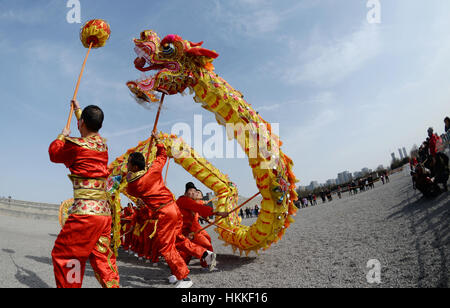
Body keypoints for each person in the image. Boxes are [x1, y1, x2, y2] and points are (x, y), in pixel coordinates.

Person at [125, 133, 214, 288]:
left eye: (128, 163)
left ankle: (183, 277)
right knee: (178, 239)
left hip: (164, 213)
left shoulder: (134, 184)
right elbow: (162, 155)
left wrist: (130, 174)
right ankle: (203, 253)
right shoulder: (154, 169)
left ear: (134, 166)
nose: (127, 165)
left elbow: (130, 186)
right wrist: (159, 142)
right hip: (174, 208)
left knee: (165, 246)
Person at [49, 100, 120, 288]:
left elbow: (54, 154)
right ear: (100, 125)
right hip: (103, 214)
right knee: (101, 258)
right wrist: (79, 111)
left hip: (85, 214)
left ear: (81, 124)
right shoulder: (102, 146)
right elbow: (91, 129)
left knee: (66, 256)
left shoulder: (76, 146)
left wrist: (62, 136)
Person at [176, 183, 228, 270]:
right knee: (206, 245)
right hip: (182, 231)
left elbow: (199, 206)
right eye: (190, 191)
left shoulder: (190, 201)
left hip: (188, 230)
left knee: (189, 249)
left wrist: (208, 217)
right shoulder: (184, 200)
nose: (193, 193)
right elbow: (198, 207)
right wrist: (217, 212)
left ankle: (180, 267)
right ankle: (207, 265)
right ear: (185, 193)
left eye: (194, 191)